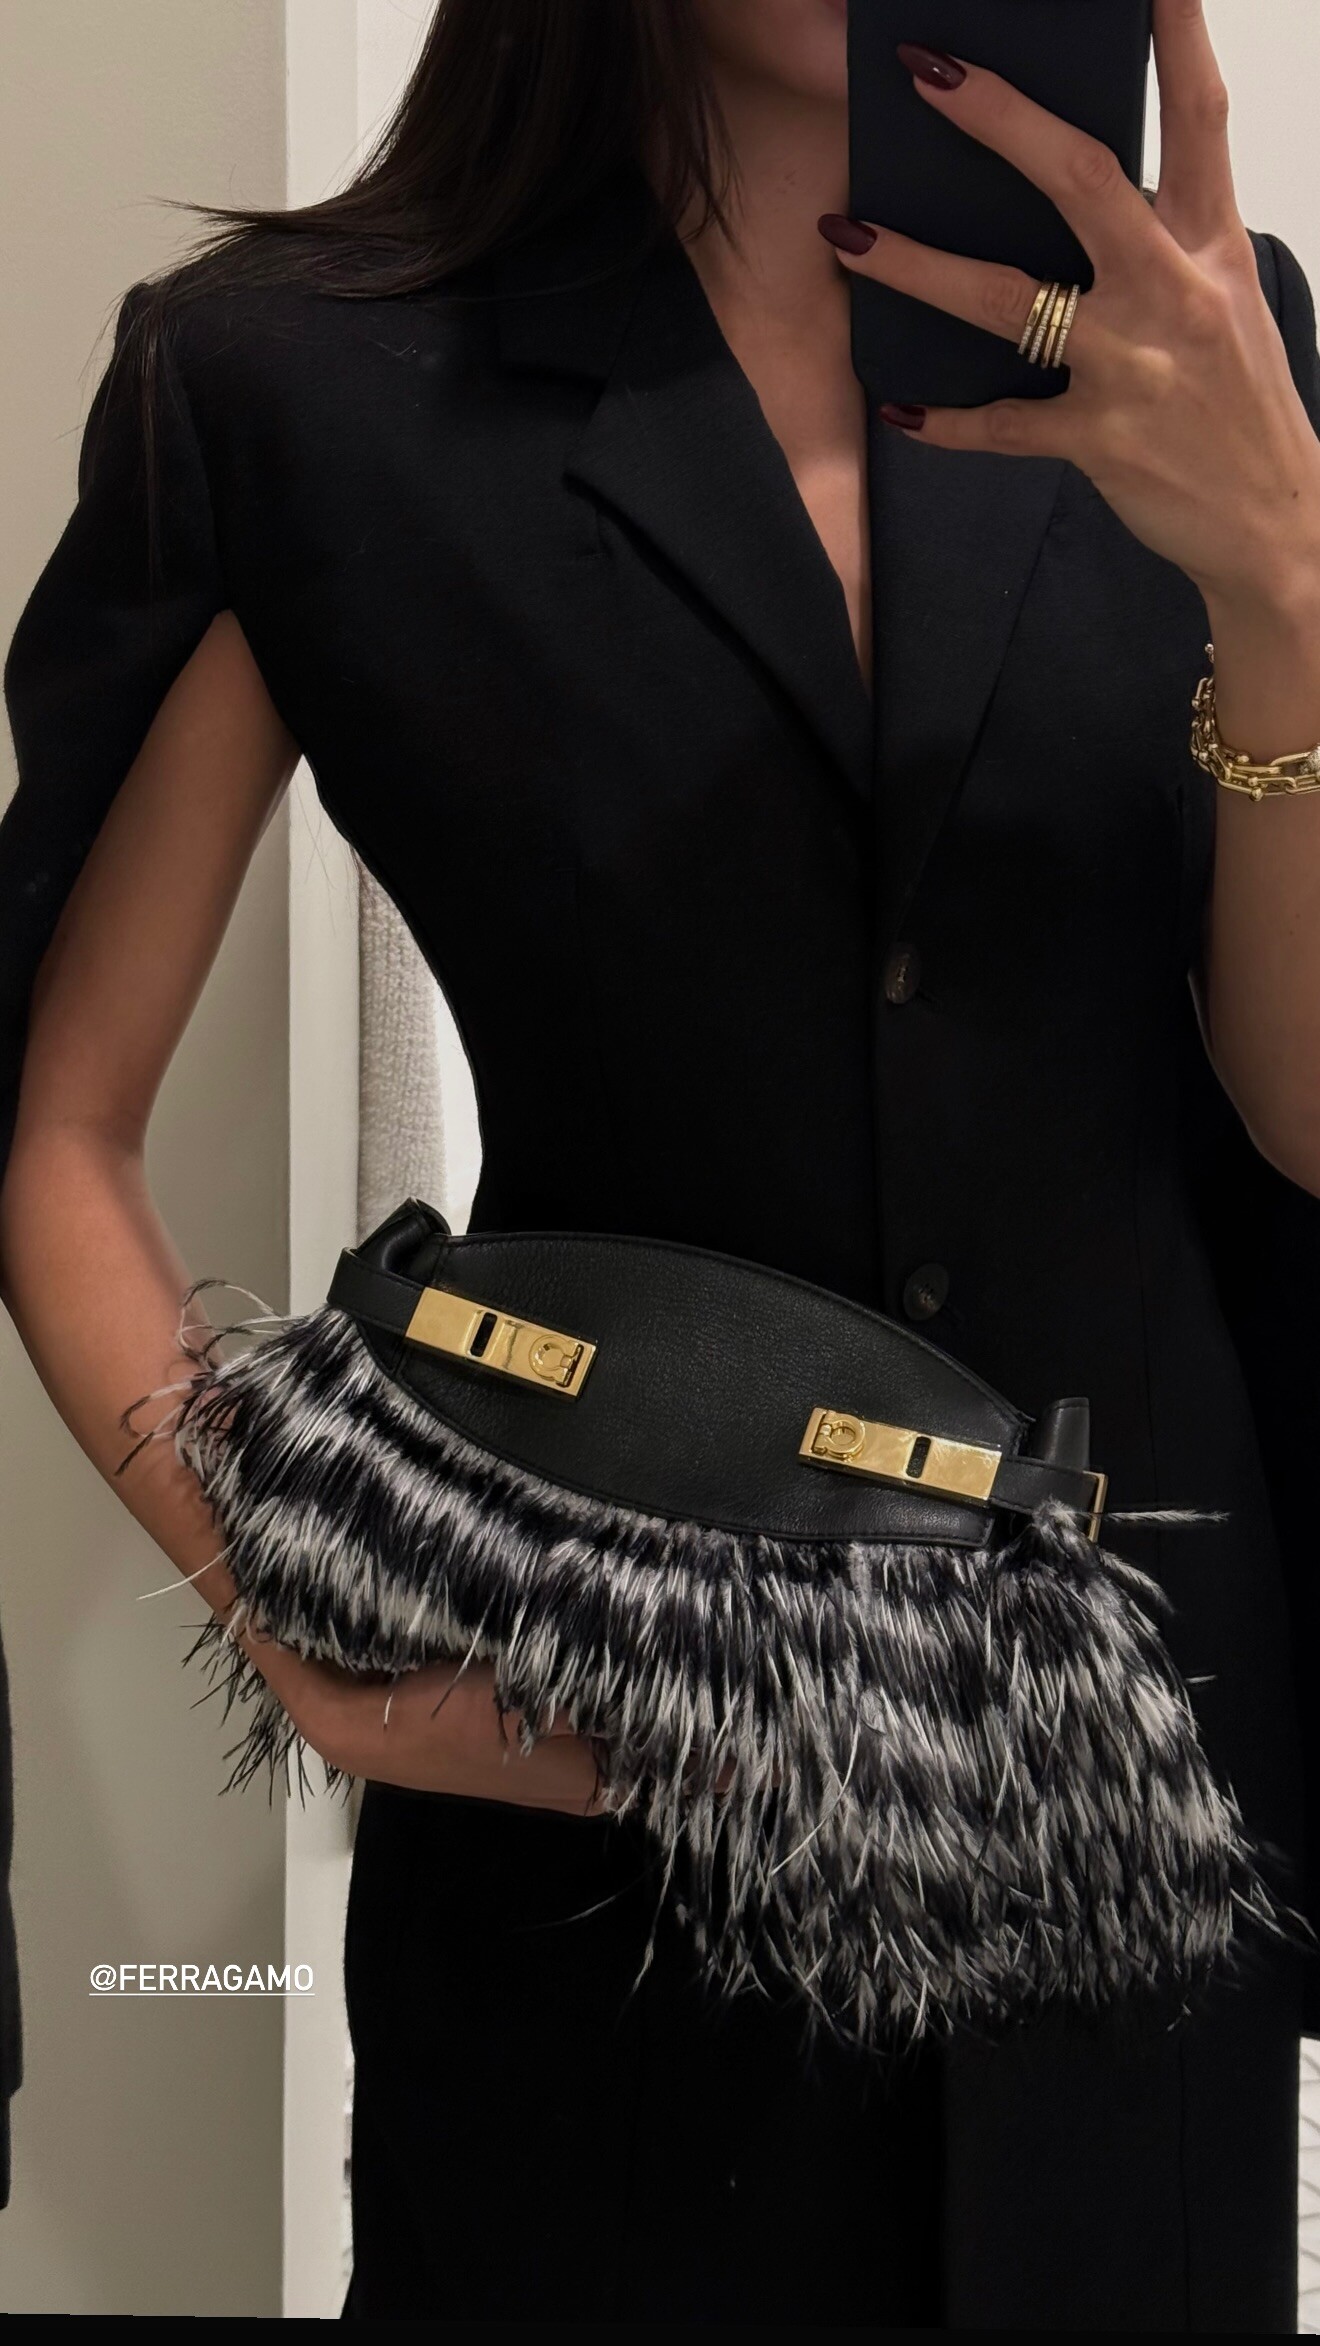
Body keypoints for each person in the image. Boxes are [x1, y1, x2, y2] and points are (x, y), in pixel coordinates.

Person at [3, 0, 1320, 2327]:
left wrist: (1287, 586)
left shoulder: (1207, 349)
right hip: (613, 1804)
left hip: (1118, 1818)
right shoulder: (298, 386)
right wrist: (295, 1624)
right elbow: (57, 1121)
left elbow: (1299, 1118)